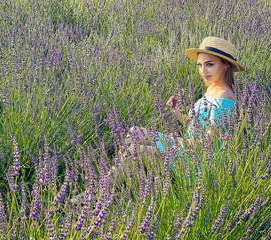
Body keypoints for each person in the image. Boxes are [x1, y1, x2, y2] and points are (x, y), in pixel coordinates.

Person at [71, 36, 245, 204]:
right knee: (134, 132)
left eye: (209, 65)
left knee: (136, 151)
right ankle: (123, 184)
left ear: (225, 65)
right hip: (188, 148)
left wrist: (172, 143)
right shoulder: (213, 89)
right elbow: (193, 125)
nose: (203, 71)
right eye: (200, 65)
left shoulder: (224, 98)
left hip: (198, 162)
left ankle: (98, 193)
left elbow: (208, 143)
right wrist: (176, 111)